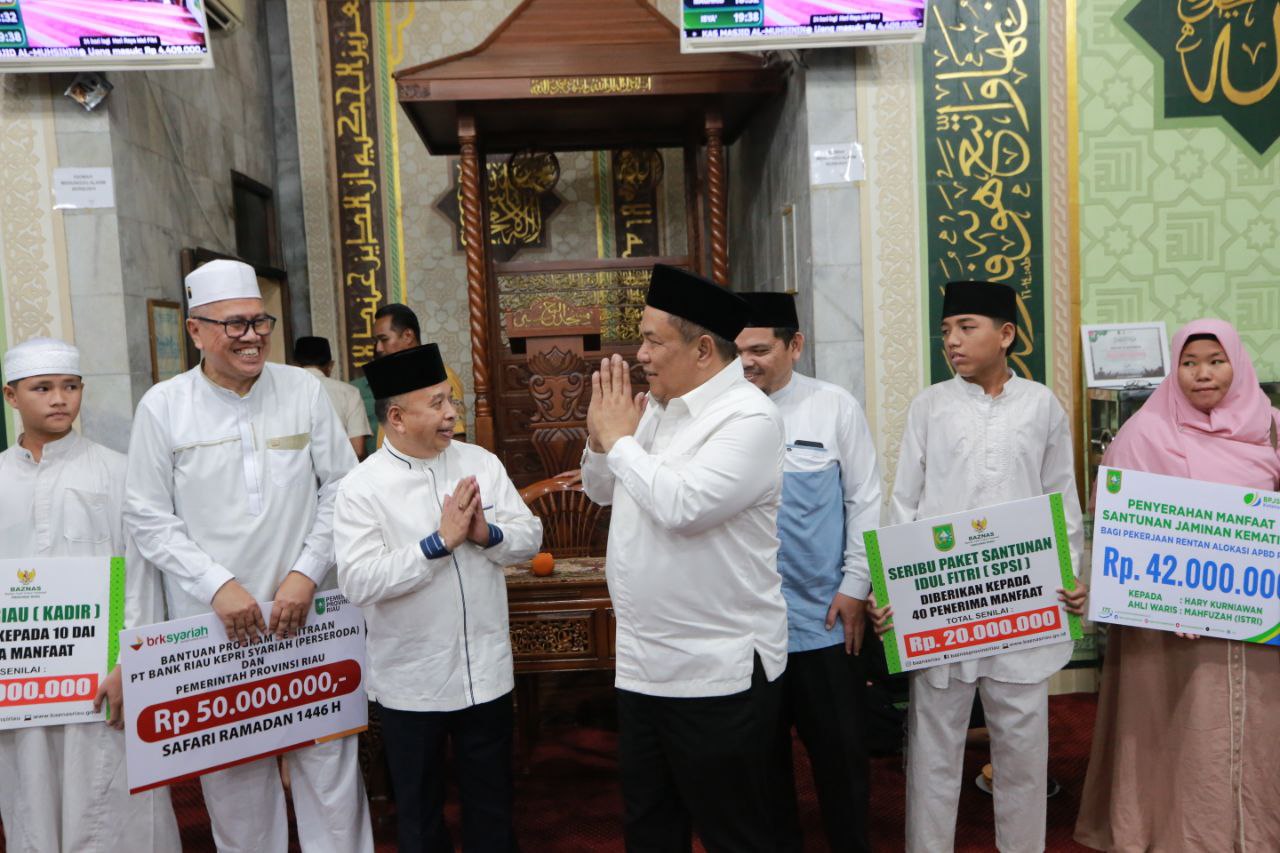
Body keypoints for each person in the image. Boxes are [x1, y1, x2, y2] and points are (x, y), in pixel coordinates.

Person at [123, 259, 373, 853]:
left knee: (331, 774)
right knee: (236, 787)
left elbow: (343, 489)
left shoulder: (303, 389)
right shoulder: (164, 406)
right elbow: (147, 517)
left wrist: (305, 574)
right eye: (234, 325)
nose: (252, 335)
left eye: (259, 321)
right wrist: (218, 586)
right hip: (217, 625)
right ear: (196, 332)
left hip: (308, 616)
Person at [870, 280, 1087, 853]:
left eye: (967, 327)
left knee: (1022, 753)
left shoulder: (1041, 405)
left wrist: (1069, 579)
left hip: (1021, 606)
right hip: (942, 608)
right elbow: (904, 505)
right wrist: (895, 588)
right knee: (933, 750)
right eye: (946, 331)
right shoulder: (930, 406)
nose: (953, 342)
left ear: (1006, 334)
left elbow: (1061, 500)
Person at [581, 264, 790, 852]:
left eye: (653, 339)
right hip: (644, 664)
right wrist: (602, 442)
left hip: (716, 669)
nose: (640, 353)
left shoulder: (749, 419)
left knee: (734, 834)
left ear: (703, 350)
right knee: (651, 827)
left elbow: (683, 506)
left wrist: (620, 440)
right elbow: (602, 489)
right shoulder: (658, 409)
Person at [1075, 319, 1280, 852]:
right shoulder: (1143, 434)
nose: (1202, 374)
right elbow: (1116, 529)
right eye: (1189, 363)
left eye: (1216, 361)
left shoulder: (1272, 429)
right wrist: (1144, 597)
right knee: (1184, 738)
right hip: (1168, 634)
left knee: (1257, 738)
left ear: (1237, 364)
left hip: (1256, 630)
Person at [334, 343, 542, 852]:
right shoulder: (362, 487)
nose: (452, 413)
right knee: (422, 818)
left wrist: (486, 535)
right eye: (437, 403)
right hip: (413, 684)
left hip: (485, 675)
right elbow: (359, 581)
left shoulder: (480, 462)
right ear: (398, 417)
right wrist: (435, 545)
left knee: (492, 809)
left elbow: (530, 536)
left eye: (451, 399)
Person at [0, 338, 180, 853]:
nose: (60, 399)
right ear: (12, 397)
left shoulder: (118, 472)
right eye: (43, 388)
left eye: (71, 386)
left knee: (114, 800)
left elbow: (143, 577)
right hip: (21, 685)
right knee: (30, 795)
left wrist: (130, 664)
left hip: (104, 677)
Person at [736, 292, 881, 852]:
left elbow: (865, 499)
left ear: (795, 346)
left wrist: (854, 587)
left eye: (760, 349)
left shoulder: (834, 406)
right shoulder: (722, 414)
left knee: (841, 754)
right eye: (739, 350)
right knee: (761, 762)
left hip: (826, 617)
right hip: (753, 624)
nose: (747, 362)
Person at [350, 303, 467, 454]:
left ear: (408, 336)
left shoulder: (440, 377)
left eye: (383, 339)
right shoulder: (391, 376)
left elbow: (454, 439)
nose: (378, 348)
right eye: (376, 341)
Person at [294, 335, 372, 460]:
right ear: (330, 366)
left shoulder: (280, 395)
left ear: (295, 365)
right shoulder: (349, 393)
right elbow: (358, 449)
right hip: (340, 477)